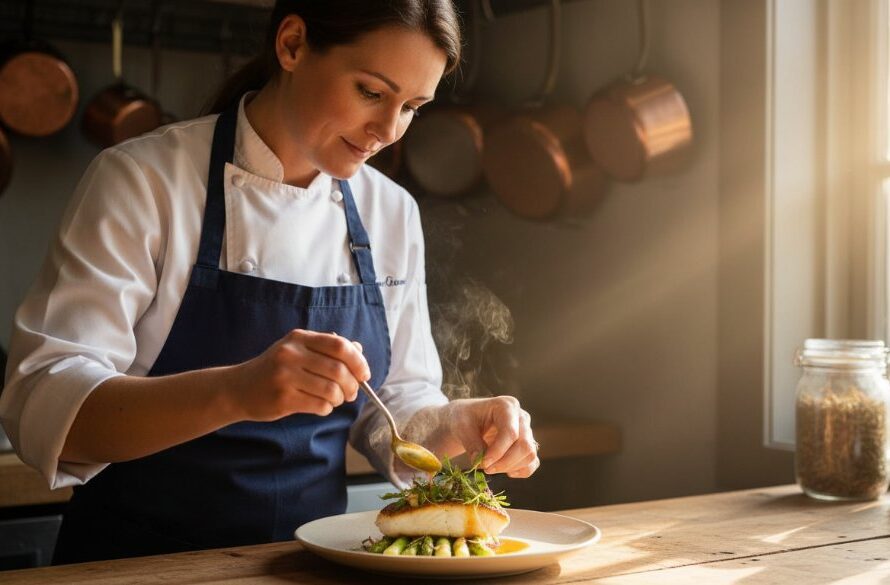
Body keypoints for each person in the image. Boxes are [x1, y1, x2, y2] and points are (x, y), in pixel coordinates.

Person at [0, 0, 539, 565]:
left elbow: (394, 409)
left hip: (312, 567)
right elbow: (45, 402)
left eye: (412, 107)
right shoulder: (142, 181)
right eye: (372, 93)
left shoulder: (391, 212)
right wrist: (237, 390)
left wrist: (455, 421)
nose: (388, 130)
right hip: (135, 565)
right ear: (292, 45)